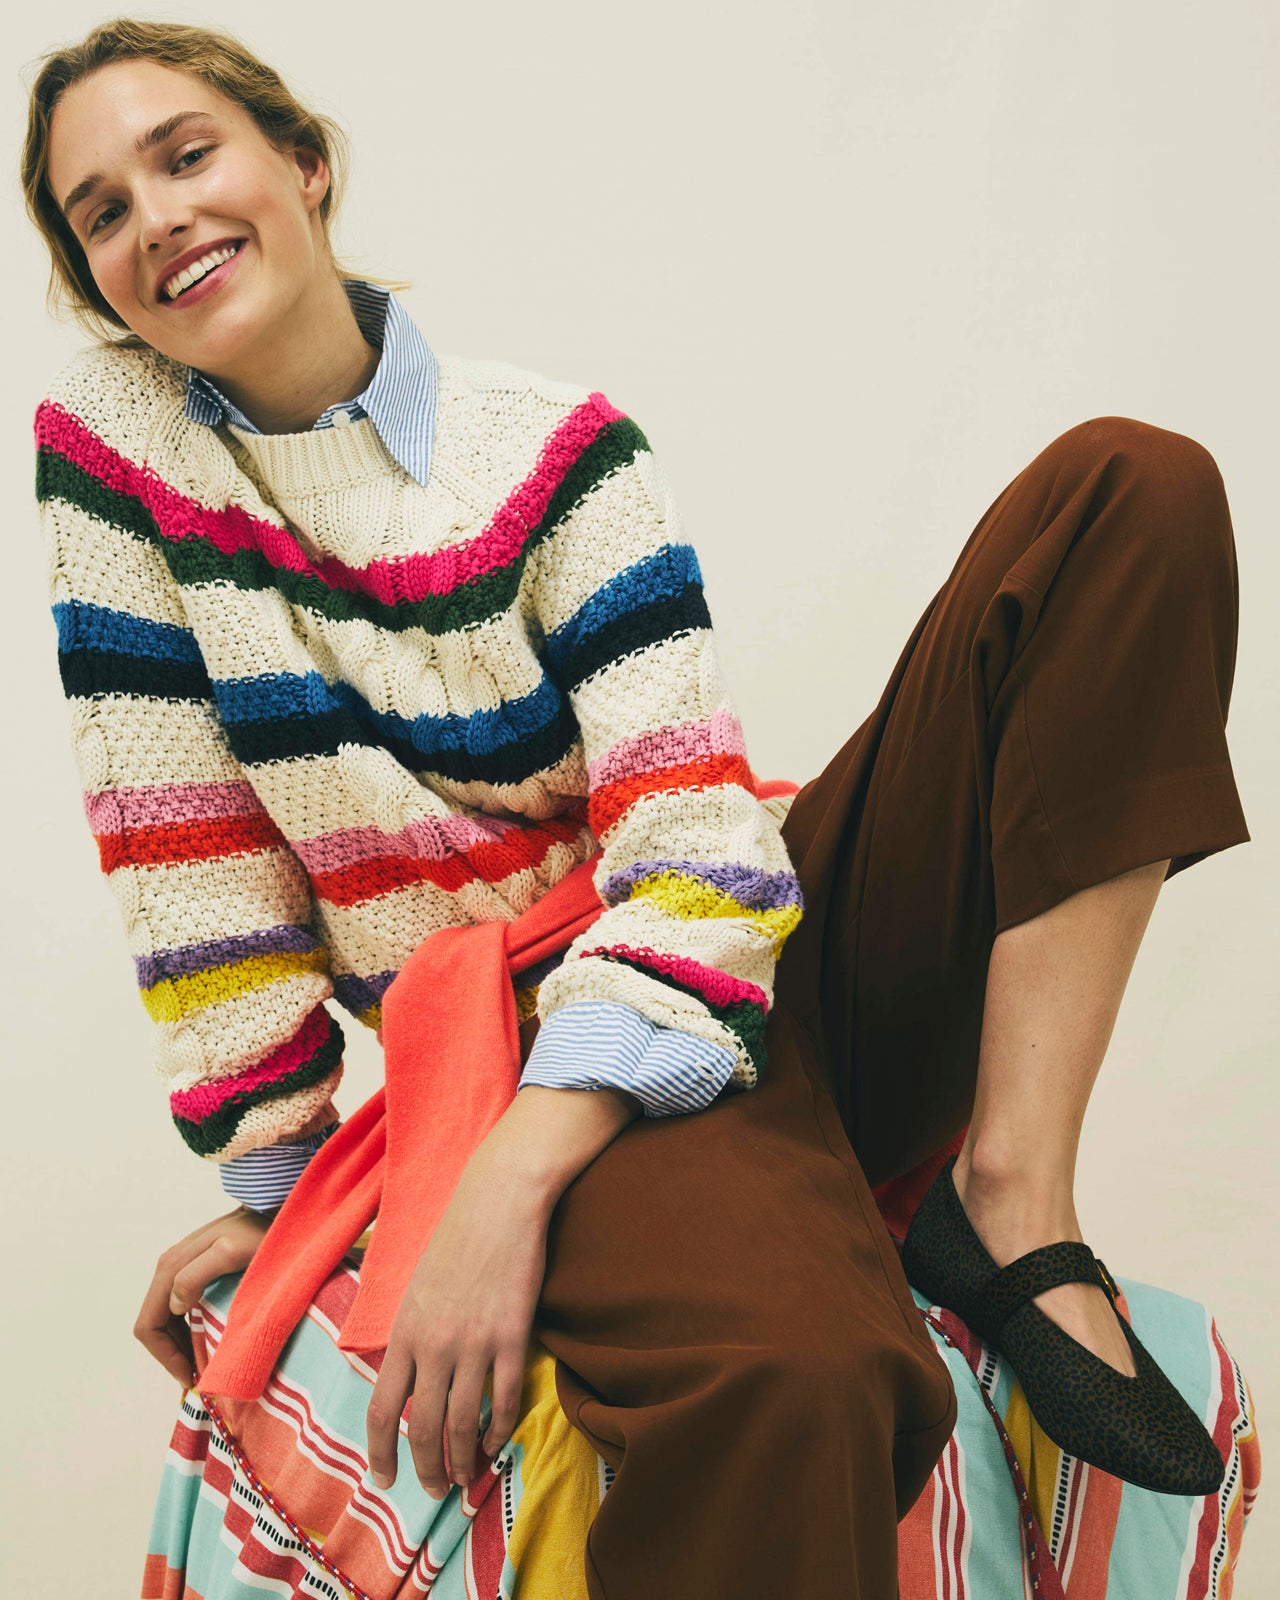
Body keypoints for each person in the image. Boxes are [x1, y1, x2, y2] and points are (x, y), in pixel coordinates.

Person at [24, 16, 1250, 1596]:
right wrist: (290, 1187)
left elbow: (692, 848)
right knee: (799, 1376)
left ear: (304, 165)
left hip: (730, 927)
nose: (157, 218)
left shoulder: (557, 447)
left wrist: (518, 1172)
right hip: (541, 1037)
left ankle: (1011, 1191)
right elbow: (190, 861)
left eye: (187, 156)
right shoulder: (119, 466)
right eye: (100, 212)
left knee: (1126, 492)